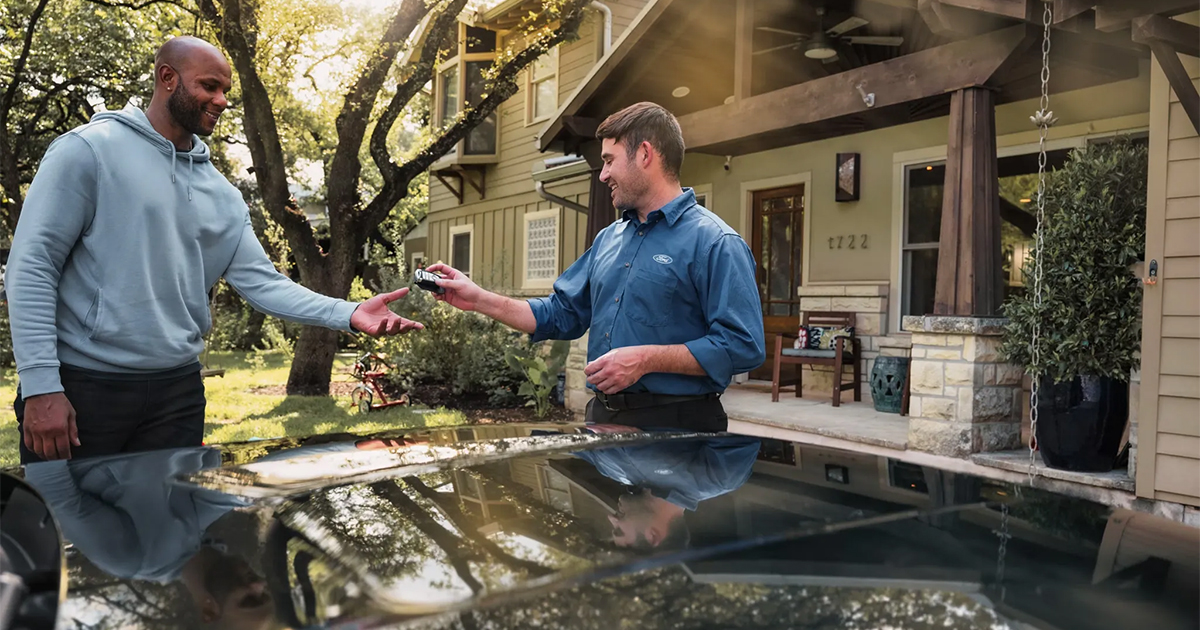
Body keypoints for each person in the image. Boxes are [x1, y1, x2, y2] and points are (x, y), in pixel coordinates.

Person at [5, 36, 423, 464]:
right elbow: (33, 266)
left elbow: (263, 284)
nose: (221, 100)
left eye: (226, 91)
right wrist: (41, 385)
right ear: (167, 78)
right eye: (209, 86)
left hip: (177, 394)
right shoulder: (88, 152)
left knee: (170, 531)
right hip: (84, 388)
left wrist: (348, 313)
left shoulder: (221, 194)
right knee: (67, 528)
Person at [428, 102, 764, 431]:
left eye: (608, 161)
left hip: (679, 428)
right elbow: (560, 313)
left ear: (645, 154)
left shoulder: (716, 242)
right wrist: (477, 299)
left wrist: (645, 360)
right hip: (603, 420)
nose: (603, 174)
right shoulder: (609, 239)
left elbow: (743, 345)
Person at [570, 430, 760, 551]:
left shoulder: (613, 472)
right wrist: (642, 427)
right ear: (653, 535)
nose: (612, 519)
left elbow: (562, 440)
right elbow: (735, 418)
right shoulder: (718, 478)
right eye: (619, 530)